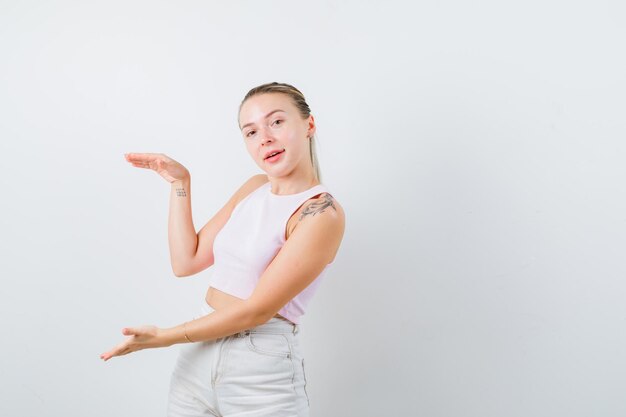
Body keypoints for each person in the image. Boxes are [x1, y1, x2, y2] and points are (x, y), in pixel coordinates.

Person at [100, 82, 346, 416]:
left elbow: (256, 310)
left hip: (260, 370)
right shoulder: (254, 188)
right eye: (251, 131)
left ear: (309, 125)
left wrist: (165, 336)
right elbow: (186, 260)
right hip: (198, 356)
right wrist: (179, 184)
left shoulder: (320, 212)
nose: (265, 138)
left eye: (276, 122)